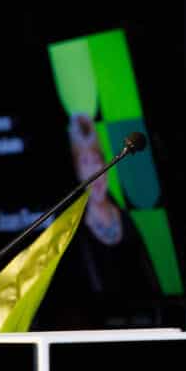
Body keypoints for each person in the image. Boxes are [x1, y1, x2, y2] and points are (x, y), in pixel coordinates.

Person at [31, 113, 164, 330]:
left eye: (97, 160)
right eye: (85, 162)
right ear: (77, 171)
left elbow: (150, 285)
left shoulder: (125, 219)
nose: (95, 171)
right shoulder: (69, 226)